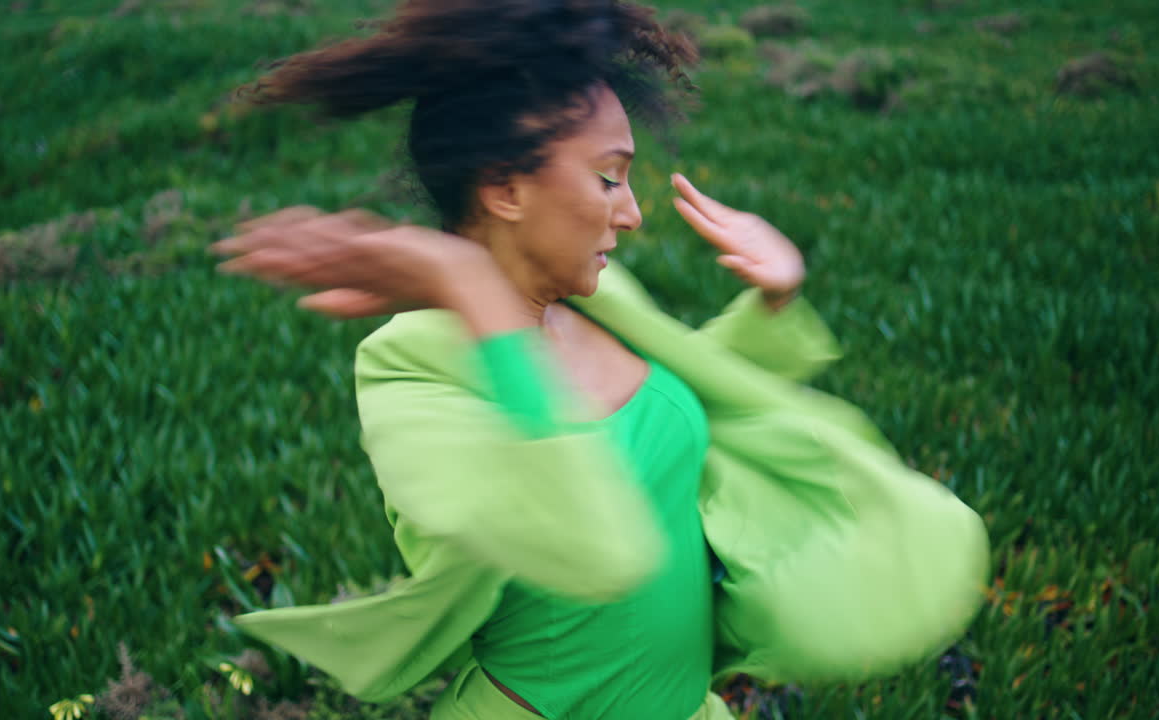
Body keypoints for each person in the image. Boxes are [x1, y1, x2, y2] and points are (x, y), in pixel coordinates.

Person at [212, 2, 990, 719]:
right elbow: (590, 541)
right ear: (506, 188)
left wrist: (775, 301)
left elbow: (664, 404)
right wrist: (466, 287)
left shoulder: (592, 296)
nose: (633, 210)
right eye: (609, 176)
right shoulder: (411, 370)